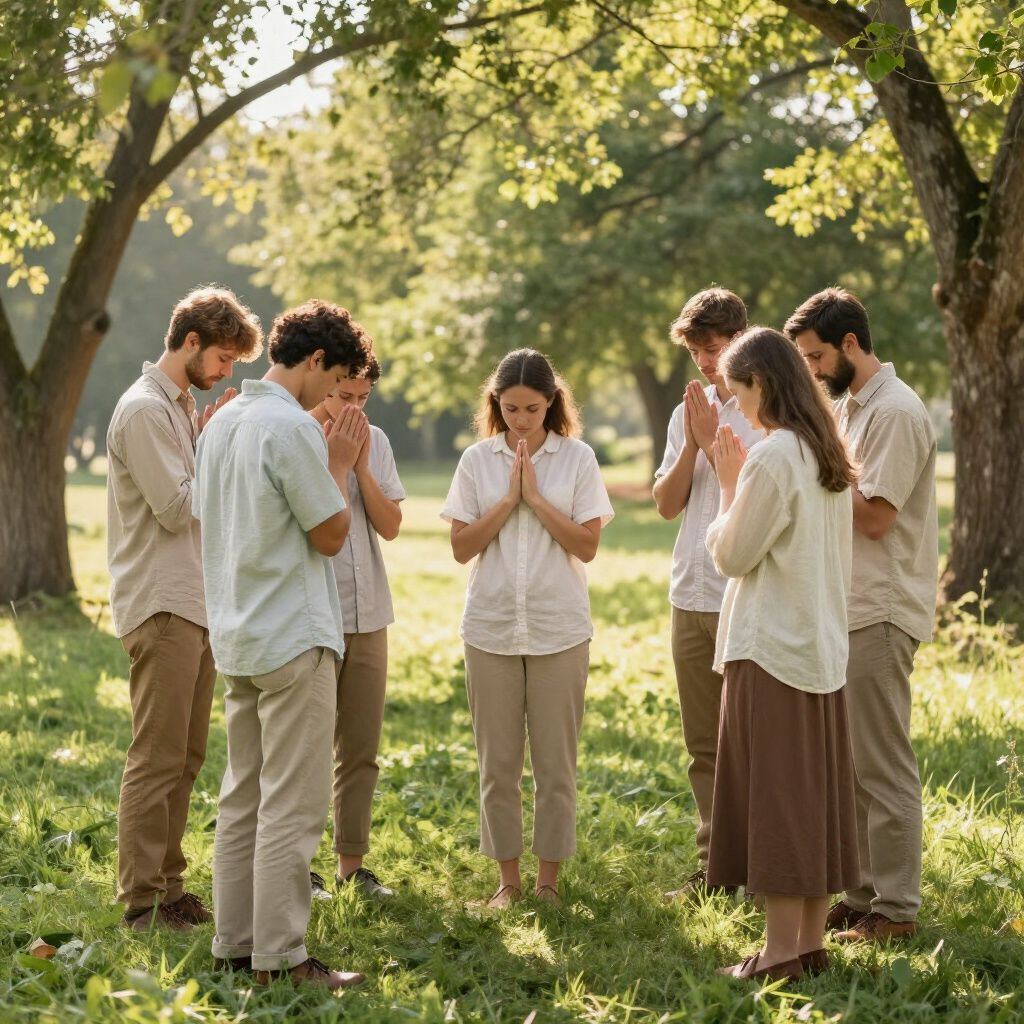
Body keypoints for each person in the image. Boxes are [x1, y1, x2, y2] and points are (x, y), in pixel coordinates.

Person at [193, 299, 371, 990]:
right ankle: (283, 959)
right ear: (316, 359)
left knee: (242, 797)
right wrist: (340, 463)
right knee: (292, 806)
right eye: (334, 381)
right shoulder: (291, 427)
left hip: (236, 630)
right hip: (293, 634)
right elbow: (329, 534)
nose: (334, 397)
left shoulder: (224, 422)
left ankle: (233, 945)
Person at [704, 326, 861, 982]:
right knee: (813, 800)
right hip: (821, 648)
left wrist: (727, 486)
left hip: (772, 649)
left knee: (777, 802)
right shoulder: (827, 451)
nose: (735, 408)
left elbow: (732, 554)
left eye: (736, 394)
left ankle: (778, 954)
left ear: (762, 385)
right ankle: (807, 946)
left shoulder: (771, 459)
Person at [107, 285, 263, 931]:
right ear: (191, 341)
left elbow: (182, 489)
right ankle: (141, 901)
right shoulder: (144, 410)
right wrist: (219, 455)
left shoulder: (175, 411)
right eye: (224, 359)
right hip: (162, 602)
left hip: (195, 602)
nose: (225, 374)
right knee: (156, 756)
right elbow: (175, 509)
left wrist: (203, 440)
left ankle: (171, 891)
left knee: (187, 758)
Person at [787, 287, 938, 943]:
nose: (813, 372)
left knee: (882, 765)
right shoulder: (850, 408)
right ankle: (864, 895)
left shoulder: (897, 413)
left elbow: (874, 517)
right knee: (850, 767)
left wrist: (812, 468)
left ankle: (898, 910)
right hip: (844, 608)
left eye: (817, 357)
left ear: (850, 344)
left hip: (879, 608)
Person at [441, 349, 614, 908]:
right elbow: (462, 546)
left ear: (551, 404)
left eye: (532, 409)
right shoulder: (476, 461)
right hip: (489, 627)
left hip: (558, 627)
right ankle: (507, 882)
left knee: (555, 765)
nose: (520, 419)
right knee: (498, 766)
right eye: (510, 408)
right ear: (496, 404)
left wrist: (535, 499)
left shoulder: (578, 459)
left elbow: (587, 544)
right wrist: (508, 500)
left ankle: (548, 883)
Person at [652, 287, 763, 899]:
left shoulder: (766, 409)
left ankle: (760, 870)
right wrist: (695, 438)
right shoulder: (684, 413)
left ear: (740, 340)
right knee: (703, 745)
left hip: (743, 595)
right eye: (696, 350)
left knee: (751, 741)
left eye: (714, 348)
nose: (705, 361)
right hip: (688, 596)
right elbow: (668, 505)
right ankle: (715, 869)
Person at [308, 355, 406, 900]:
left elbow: (390, 526)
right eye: (344, 397)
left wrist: (363, 465)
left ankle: (351, 865)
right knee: (307, 749)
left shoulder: (379, 440)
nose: (353, 408)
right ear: (326, 385)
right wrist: (337, 463)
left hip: (368, 613)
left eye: (362, 400)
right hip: (314, 614)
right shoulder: (298, 433)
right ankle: (300, 865)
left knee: (360, 748)